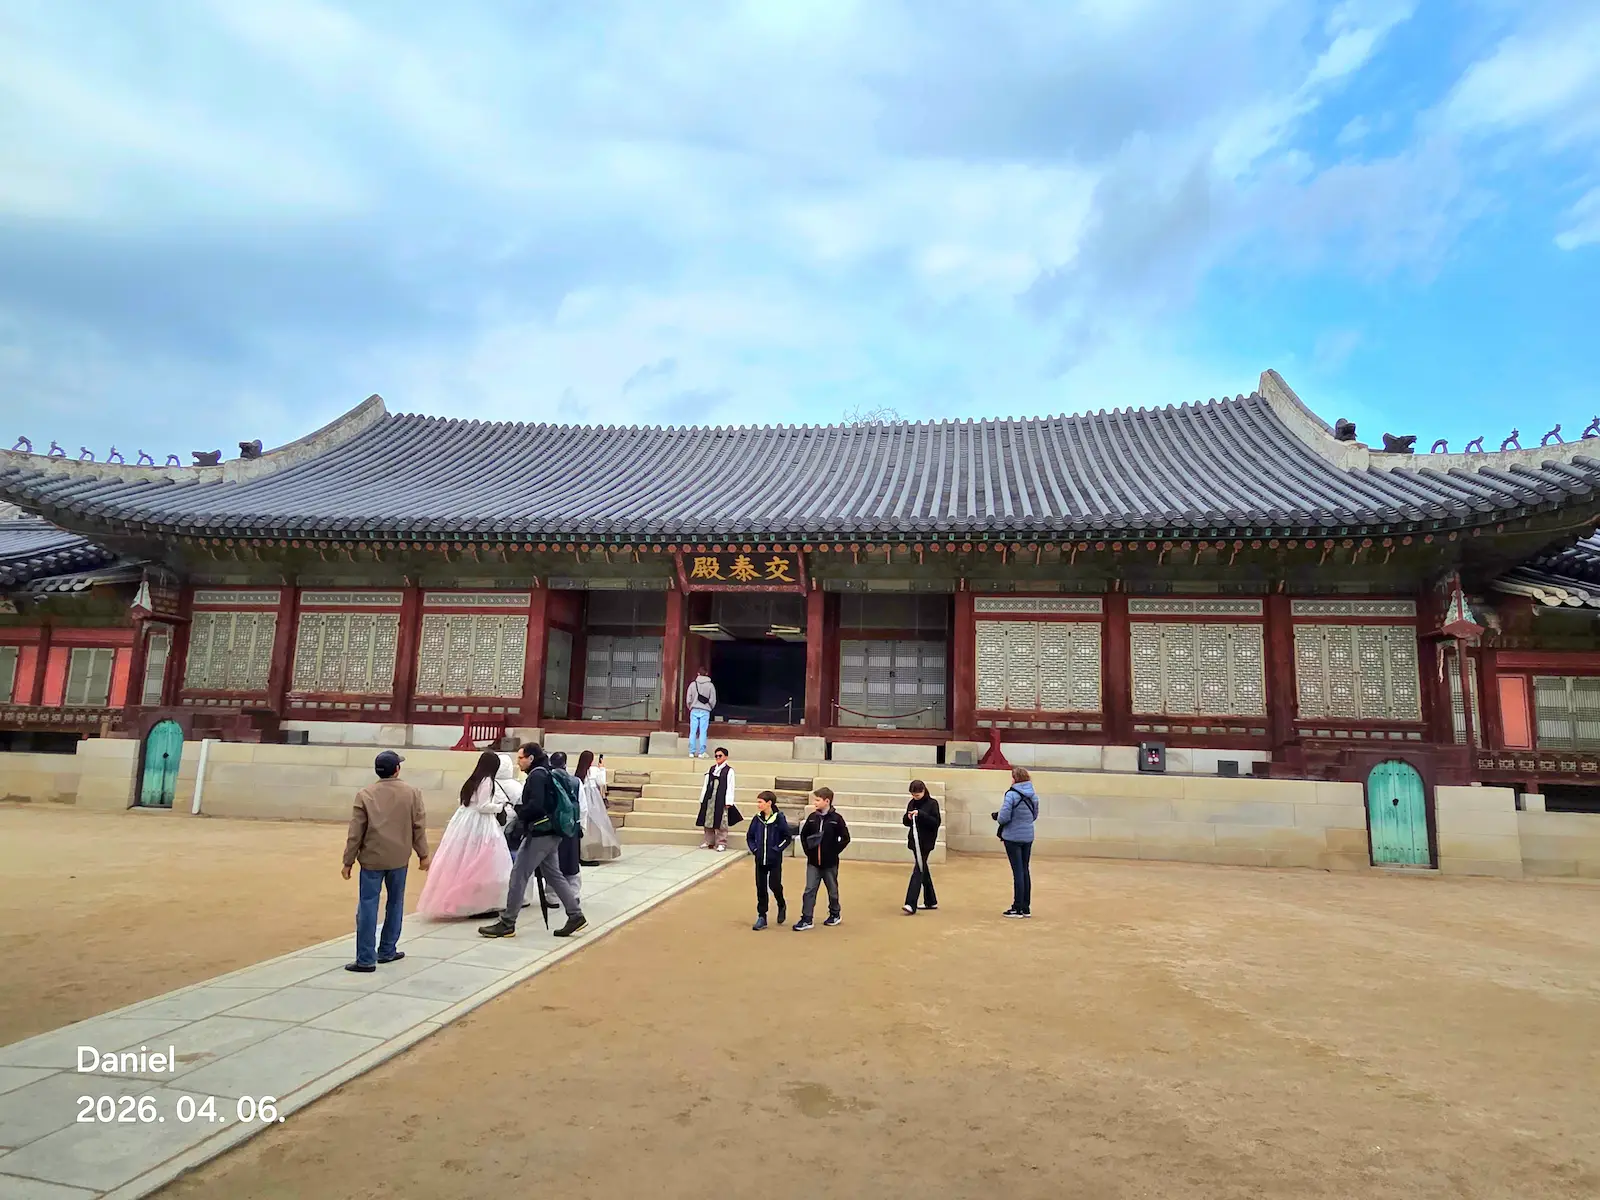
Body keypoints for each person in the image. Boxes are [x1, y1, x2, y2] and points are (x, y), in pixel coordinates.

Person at [478, 743, 587, 939]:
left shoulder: (537, 775)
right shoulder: (547, 771)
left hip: (540, 832)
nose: (518, 762)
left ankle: (507, 922)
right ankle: (575, 915)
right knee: (554, 875)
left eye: (521, 758)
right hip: (553, 830)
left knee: (519, 874)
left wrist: (521, 814)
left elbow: (536, 806)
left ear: (530, 758)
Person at [341, 750, 431, 972]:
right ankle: (387, 949)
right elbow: (418, 827)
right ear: (397, 769)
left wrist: (348, 860)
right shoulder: (412, 793)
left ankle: (365, 957)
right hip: (399, 857)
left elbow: (356, 832)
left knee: (368, 904)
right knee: (395, 902)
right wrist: (423, 854)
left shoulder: (365, 795)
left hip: (371, 858)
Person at [416, 750, 514, 919]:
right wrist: (500, 807)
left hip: (465, 820)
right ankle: (480, 905)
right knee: (484, 861)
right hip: (480, 822)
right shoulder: (487, 781)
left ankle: (466, 901)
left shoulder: (473, 779)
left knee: (464, 858)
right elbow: (483, 806)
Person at [794, 786, 850, 931]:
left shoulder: (836, 819)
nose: (815, 803)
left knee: (832, 890)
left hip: (830, 863)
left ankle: (835, 913)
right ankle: (807, 918)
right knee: (809, 890)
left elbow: (845, 838)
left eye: (818, 800)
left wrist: (834, 852)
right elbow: (804, 835)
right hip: (813, 862)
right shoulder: (812, 818)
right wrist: (808, 852)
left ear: (827, 801)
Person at [995, 767, 1039, 919]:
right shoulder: (1033, 795)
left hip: (1012, 837)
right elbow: (1034, 815)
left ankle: (1017, 907)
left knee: (1017, 872)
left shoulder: (1011, 794)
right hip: (1028, 836)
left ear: (1015, 778)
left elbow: (1003, 818)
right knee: (1025, 870)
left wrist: (998, 816)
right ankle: (1026, 907)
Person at [746, 790, 793, 930]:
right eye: (758, 802)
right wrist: (755, 850)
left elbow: (787, 837)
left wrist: (776, 849)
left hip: (774, 860)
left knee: (775, 885)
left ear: (769, 803)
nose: (758, 805)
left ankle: (781, 903)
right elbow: (750, 837)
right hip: (760, 860)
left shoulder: (779, 818)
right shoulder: (757, 819)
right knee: (761, 887)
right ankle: (762, 916)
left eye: (760, 802)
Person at [902, 780, 942, 916]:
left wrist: (921, 815)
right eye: (913, 795)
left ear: (924, 791)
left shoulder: (932, 804)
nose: (915, 797)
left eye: (917, 795)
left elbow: (935, 822)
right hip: (915, 841)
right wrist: (908, 817)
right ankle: (930, 900)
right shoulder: (911, 803)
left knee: (918, 870)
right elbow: (906, 822)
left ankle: (910, 903)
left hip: (926, 842)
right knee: (922, 868)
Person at [548, 751, 584, 902]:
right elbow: (583, 807)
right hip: (571, 826)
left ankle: (552, 896)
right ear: (565, 764)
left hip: (553, 826)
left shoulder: (547, 780)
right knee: (571, 860)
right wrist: (580, 825)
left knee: (553, 862)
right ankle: (574, 894)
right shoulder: (575, 782)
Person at [575, 749, 622, 865]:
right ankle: (589, 854)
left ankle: (582, 852)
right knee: (598, 824)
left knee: (586, 826)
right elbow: (602, 782)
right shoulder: (594, 770)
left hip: (583, 798)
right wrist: (602, 768)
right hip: (594, 799)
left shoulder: (578, 772)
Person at [696, 745, 736, 851]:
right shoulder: (712, 769)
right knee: (708, 820)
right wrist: (702, 798)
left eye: (720, 755)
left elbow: (730, 786)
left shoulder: (729, 771)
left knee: (722, 821)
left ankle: (721, 843)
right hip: (710, 798)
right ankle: (709, 841)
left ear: (725, 757)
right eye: (716, 756)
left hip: (721, 798)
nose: (718, 757)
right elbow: (706, 784)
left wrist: (729, 801)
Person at [685, 668, 716, 758]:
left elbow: (688, 699)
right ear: (706, 674)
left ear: (698, 673)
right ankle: (701, 752)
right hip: (705, 710)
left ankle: (691, 752)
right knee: (703, 731)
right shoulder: (710, 685)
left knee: (693, 731)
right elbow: (713, 699)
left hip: (694, 710)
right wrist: (710, 707)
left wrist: (690, 706)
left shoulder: (692, 685)